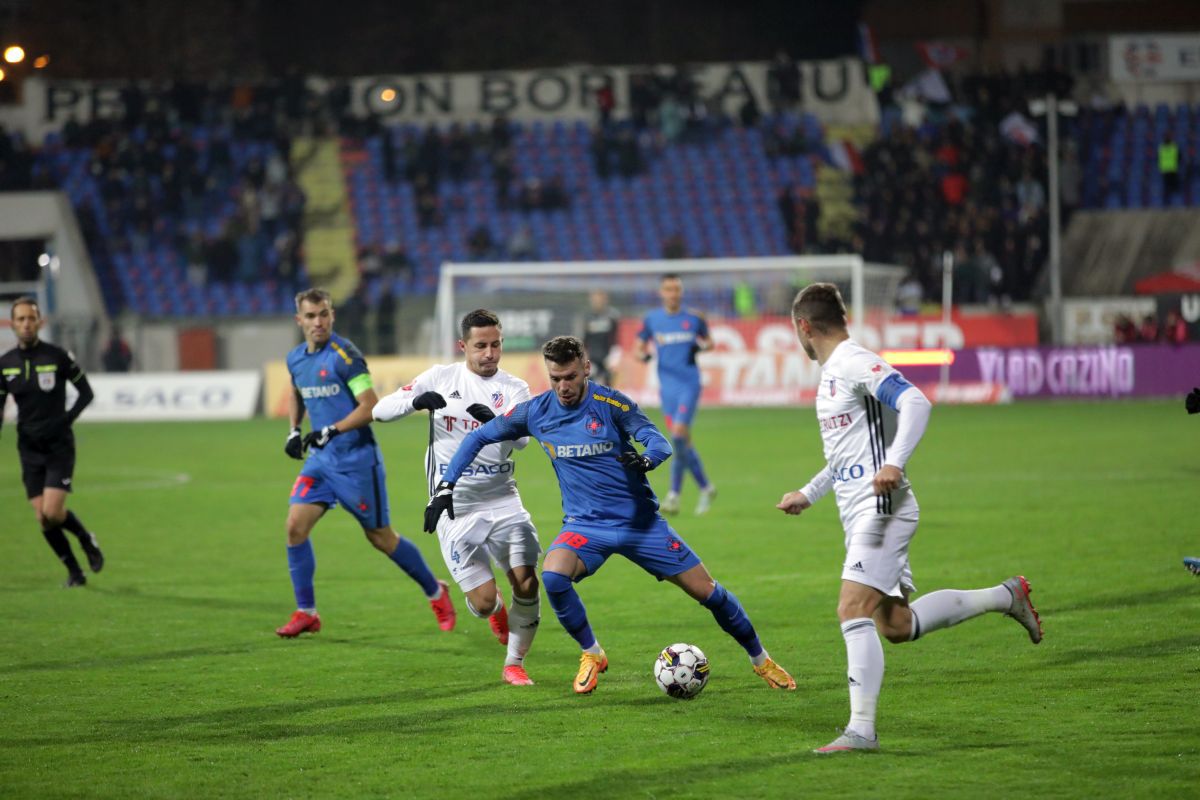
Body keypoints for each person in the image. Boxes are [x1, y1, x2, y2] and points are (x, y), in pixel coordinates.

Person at [425, 335, 796, 695]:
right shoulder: (536, 411)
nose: (564, 386)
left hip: (641, 525)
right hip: (586, 527)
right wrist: (446, 486)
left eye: (570, 377)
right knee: (553, 577)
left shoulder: (612, 404)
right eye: (555, 379)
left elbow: (659, 442)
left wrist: (646, 459)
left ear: (586, 368)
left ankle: (761, 659)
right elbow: (477, 437)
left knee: (708, 592)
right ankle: (592, 653)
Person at [776, 283, 1043, 754]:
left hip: (881, 509)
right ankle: (1007, 596)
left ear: (803, 326)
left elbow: (916, 401)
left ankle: (861, 731)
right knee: (896, 626)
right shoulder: (834, 373)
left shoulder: (855, 362)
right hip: (859, 509)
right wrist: (809, 493)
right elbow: (846, 456)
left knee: (850, 609)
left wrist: (895, 463)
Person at [372, 310, 541, 686]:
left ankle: (514, 664)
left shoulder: (515, 388)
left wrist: (495, 422)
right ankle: (495, 608)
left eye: (496, 345)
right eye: (481, 346)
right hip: (453, 504)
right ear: (463, 346)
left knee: (527, 583)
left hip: (502, 498)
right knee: (483, 603)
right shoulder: (440, 378)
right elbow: (379, 411)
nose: (490, 354)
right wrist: (415, 403)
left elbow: (524, 441)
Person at [277, 288, 456, 637]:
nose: (318, 322)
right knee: (294, 528)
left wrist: (331, 429)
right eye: (311, 316)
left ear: (332, 315)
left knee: (380, 537)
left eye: (324, 314)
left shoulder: (346, 356)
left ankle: (436, 591)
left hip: (357, 462)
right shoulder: (296, 359)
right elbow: (298, 393)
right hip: (320, 461)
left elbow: (369, 406)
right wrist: (294, 430)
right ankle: (307, 612)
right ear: (300, 320)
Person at [0, 297, 104, 587]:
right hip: (28, 448)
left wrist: (66, 419)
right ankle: (75, 572)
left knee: (52, 512)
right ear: (12, 325)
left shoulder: (57, 356)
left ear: (40, 322)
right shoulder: (5, 364)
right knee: (43, 519)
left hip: (58, 446)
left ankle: (86, 539)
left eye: (31, 318)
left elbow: (86, 393)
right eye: (20, 319)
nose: (26, 324)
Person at [634, 274, 716, 515]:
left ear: (681, 292)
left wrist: (700, 347)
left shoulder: (693, 319)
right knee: (680, 441)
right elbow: (638, 348)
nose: (673, 293)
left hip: (689, 385)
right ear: (662, 293)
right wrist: (643, 355)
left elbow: (710, 342)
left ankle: (673, 495)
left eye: (677, 289)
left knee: (678, 434)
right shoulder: (652, 319)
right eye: (669, 289)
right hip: (667, 390)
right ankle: (705, 486)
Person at [581, 290, 619, 386]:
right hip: (592, 357)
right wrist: (585, 357)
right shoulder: (587, 317)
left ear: (605, 300)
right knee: (589, 384)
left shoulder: (612, 316)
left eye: (600, 299)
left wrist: (614, 356)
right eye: (595, 299)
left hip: (607, 356)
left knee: (608, 383)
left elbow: (616, 338)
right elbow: (583, 340)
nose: (598, 301)